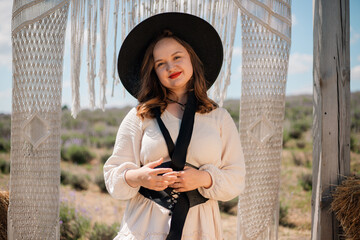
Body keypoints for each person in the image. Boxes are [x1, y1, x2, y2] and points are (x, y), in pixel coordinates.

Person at [104, 12, 246, 240]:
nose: (171, 67)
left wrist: (204, 179)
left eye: (177, 57)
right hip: (144, 227)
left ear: (192, 58)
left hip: (201, 229)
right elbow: (112, 176)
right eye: (161, 63)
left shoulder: (219, 117)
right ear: (154, 72)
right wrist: (139, 177)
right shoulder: (139, 116)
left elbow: (236, 178)